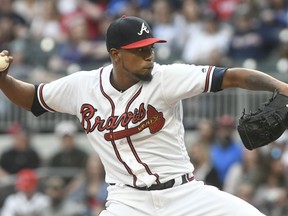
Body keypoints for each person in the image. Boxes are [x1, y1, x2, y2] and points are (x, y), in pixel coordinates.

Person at [1, 15, 288, 216]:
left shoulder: (167, 78)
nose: (149, 55)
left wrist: (281, 86)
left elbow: (233, 76)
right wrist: (3, 79)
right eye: (139, 50)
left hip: (185, 194)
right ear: (115, 54)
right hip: (127, 201)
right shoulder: (82, 86)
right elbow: (33, 99)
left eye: (150, 47)